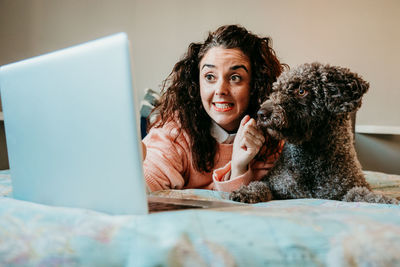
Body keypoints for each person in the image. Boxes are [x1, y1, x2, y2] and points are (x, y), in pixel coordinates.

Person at [142, 24, 285, 192]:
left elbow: (249, 204)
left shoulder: (272, 139)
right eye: (210, 77)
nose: (220, 90)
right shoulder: (174, 133)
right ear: (197, 83)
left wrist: (239, 167)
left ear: (255, 85)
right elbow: (146, 185)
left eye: (235, 77)